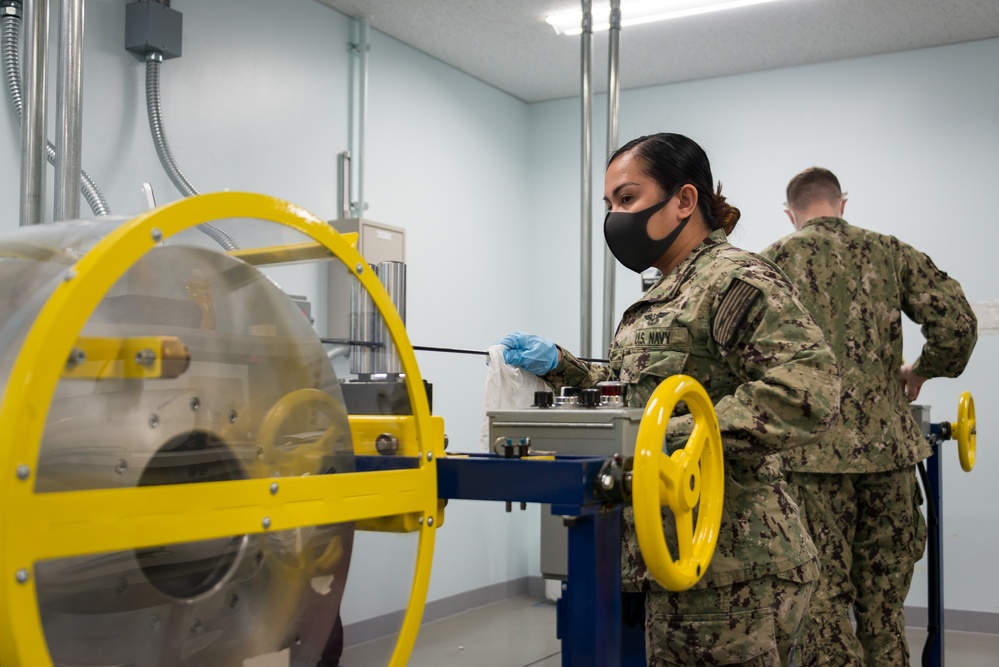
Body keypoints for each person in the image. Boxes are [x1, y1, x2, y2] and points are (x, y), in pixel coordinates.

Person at [500, 133, 841, 666]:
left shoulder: (732, 280)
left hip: (731, 565)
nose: (615, 217)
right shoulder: (667, 292)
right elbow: (632, 392)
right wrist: (561, 366)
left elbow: (808, 389)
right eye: (609, 205)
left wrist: (666, 439)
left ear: (684, 200)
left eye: (628, 199)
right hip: (670, 555)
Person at [760, 167, 978, 666]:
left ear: (791, 214)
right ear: (843, 203)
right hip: (889, 458)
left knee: (822, 606)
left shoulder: (771, 262)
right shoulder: (889, 251)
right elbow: (959, 325)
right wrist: (921, 370)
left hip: (809, 463)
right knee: (884, 612)